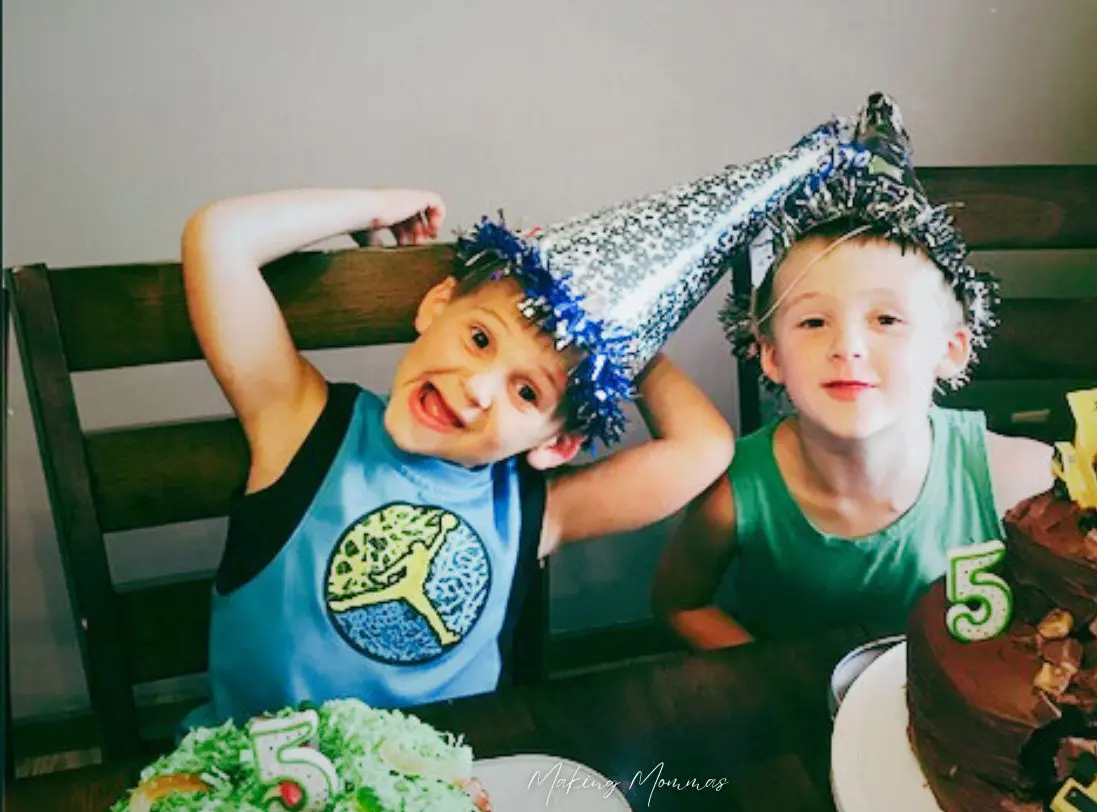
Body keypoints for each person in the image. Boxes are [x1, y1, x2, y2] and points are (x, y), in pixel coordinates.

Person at [651, 92, 1097, 650]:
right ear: (771, 355)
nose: (848, 346)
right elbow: (679, 603)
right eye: (813, 323)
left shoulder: (997, 472)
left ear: (952, 350)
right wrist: (774, 679)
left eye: (886, 319)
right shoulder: (737, 494)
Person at [177, 187, 734, 730]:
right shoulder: (302, 426)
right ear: (436, 305)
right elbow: (220, 238)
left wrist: (612, 339)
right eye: (479, 339)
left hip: (438, 790)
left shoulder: (531, 512)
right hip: (258, 786)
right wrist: (375, 205)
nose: (478, 387)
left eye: (527, 393)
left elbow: (704, 449)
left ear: (555, 444)